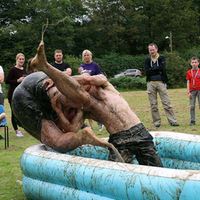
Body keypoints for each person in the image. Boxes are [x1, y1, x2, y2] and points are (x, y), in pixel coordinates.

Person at [29, 40, 163, 167]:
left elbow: (90, 78)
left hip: (138, 131)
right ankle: (45, 66)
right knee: (115, 180)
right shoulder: (84, 107)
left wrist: (60, 78)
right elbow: (72, 128)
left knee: (157, 171)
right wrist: (57, 110)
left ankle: (45, 66)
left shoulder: (104, 84)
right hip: (119, 140)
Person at [12, 71, 123, 161]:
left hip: (43, 87)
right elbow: (70, 128)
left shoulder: (83, 97)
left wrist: (59, 112)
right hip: (25, 98)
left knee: (61, 140)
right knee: (58, 142)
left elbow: (70, 128)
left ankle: (83, 135)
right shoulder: (84, 94)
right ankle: (83, 135)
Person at [144, 43, 179, 128]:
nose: (152, 51)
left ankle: (173, 121)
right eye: (150, 50)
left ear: (156, 49)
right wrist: (156, 70)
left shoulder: (161, 58)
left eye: (153, 49)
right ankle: (157, 122)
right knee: (153, 104)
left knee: (167, 103)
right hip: (150, 83)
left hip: (161, 82)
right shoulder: (147, 60)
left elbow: (162, 68)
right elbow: (147, 71)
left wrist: (152, 70)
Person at [79, 49, 104, 131]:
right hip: (85, 90)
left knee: (96, 107)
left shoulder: (95, 65)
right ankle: (84, 125)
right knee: (84, 108)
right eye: (85, 55)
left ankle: (100, 123)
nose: (86, 56)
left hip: (94, 89)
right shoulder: (81, 66)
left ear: (91, 56)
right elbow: (81, 76)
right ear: (83, 57)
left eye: (88, 55)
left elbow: (100, 76)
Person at [6, 53, 26, 137]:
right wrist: (17, 80)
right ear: (16, 60)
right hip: (13, 95)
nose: (21, 60)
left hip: (22, 95)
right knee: (14, 113)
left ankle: (24, 127)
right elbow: (7, 81)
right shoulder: (13, 70)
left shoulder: (24, 70)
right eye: (20, 59)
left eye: (22, 59)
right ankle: (17, 131)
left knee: (22, 112)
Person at [186, 57, 200, 126]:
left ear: (198, 63)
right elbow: (188, 82)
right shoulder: (188, 72)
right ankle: (192, 121)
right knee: (192, 106)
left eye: (195, 62)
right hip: (192, 91)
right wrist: (188, 92)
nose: (194, 64)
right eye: (192, 62)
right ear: (191, 63)